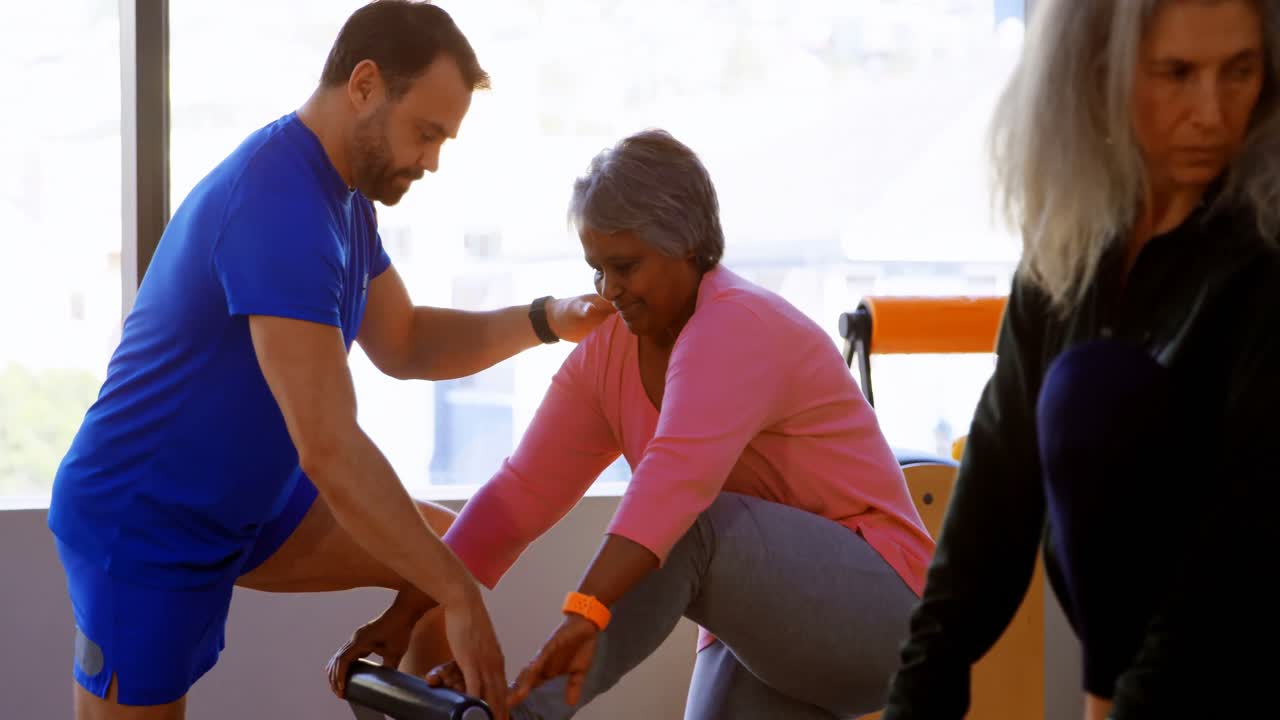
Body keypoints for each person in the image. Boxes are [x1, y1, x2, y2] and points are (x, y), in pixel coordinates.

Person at [47, 3, 611, 718]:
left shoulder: (341, 200)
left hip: (250, 504)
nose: (432, 160)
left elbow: (406, 341)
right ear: (366, 84)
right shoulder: (277, 204)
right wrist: (459, 594)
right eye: (427, 132)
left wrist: (547, 319)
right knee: (448, 575)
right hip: (146, 524)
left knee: (450, 551)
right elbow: (329, 446)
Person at [331, 128, 937, 719]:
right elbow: (516, 498)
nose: (609, 289)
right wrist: (402, 615)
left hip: (885, 611)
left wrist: (582, 615)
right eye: (598, 268)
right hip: (770, 633)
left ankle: (526, 715)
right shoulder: (608, 354)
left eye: (626, 266)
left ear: (690, 247)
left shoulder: (736, 326)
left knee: (691, 525)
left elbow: (672, 487)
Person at [881, 1, 1279, 718]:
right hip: (1137, 667)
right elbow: (996, 491)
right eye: (1176, 74)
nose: (1213, 112)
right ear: (1095, 73)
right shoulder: (1072, 238)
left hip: (1241, 653)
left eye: (1240, 71)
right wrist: (916, 697)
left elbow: (1229, 562)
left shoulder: (1265, 259)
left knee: (1100, 391)